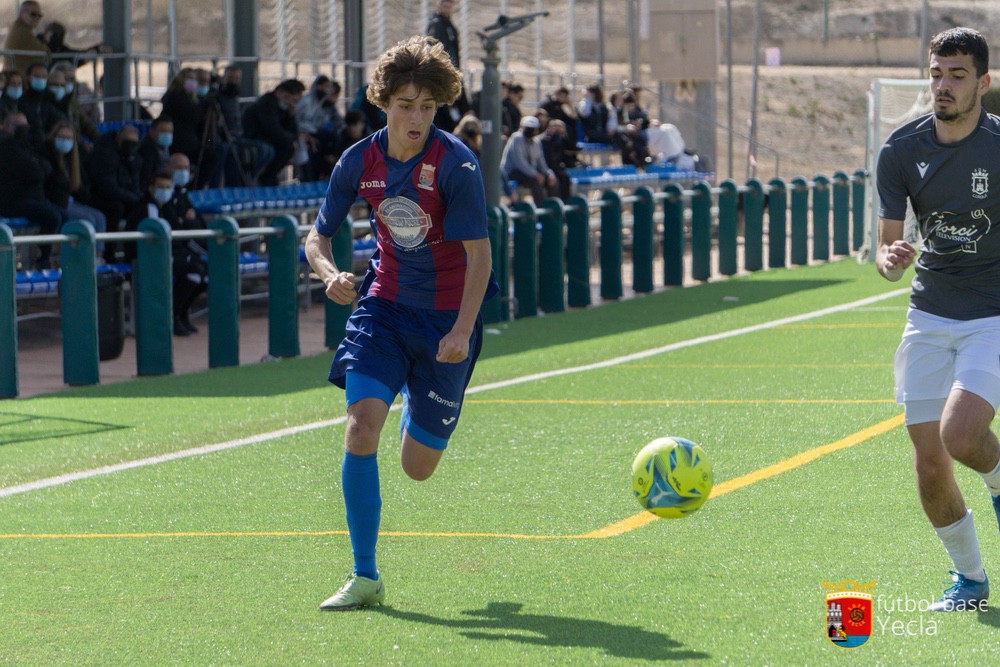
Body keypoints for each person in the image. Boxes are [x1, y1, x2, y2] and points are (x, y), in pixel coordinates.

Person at [304, 35, 496, 612]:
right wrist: (329, 273)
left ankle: (420, 399)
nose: (416, 118)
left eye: (428, 107)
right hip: (382, 307)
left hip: (445, 322)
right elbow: (317, 236)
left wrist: (461, 331)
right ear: (384, 101)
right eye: (406, 104)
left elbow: (480, 258)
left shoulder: (456, 163)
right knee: (361, 428)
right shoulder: (356, 162)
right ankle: (365, 576)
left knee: (417, 468)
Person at [875, 26, 1000, 613]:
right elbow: (886, 252)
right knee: (929, 464)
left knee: (960, 435)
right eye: (935, 73)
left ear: (983, 81)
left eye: (956, 75)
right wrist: (890, 257)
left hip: (992, 314)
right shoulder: (900, 151)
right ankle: (970, 581)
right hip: (928, 312)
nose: (942, 85)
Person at [0, 111, 66, 268]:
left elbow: (45, 167)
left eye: (26, 126)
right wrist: (38, 166)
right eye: (20, 126)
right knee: (53, 217)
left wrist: (38, 166)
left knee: (65, 216)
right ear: (8, 126)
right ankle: (42, 259)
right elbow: (36, 173)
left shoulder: (24, 145)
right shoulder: (6, 146)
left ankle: (57, 259)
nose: (24, 130)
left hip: (33, 198)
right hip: (12, 201)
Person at [42, 120, 105, 258]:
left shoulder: (72, 160)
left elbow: (80, 188)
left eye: (69, 138)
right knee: (88, 219)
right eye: (62, 137)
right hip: (56, 202)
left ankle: (98, 258)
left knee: (100, 217)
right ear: (53, 137)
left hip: (70, 201)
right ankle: (84, 258)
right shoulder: (47, 157)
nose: (65, 141)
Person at [84, 123, 142, 262]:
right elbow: (107, 187)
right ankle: (108, 254)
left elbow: (133, 183)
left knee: (143, 208)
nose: (131, 146)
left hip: (119, 195)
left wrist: (139, 199)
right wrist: (134, 198)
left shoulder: (132, 157)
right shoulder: (104, 153)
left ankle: (135, 255)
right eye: (128, 142)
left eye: (134, 143)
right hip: (97, 196)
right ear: (118, 138)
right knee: (115, 208)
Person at [242, 78, 304, 185]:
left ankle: (269, 177)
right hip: (255, 137)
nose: (292, 104)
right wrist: (291, 141)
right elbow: (272, 129)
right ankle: (265, 178)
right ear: (281, 93)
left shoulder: (285, 108)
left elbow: (292, 132)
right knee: (285, 147)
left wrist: (290, 116)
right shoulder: (267, 104)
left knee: (290, 146)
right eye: (290, 99)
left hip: (268, 138)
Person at [425, 0, 469, 132]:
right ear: (438, 5)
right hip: (443, 75)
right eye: (444, 5)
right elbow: (434, 49)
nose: (447, 8)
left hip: (452, 72)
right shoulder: (436, 24)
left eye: (449, 5)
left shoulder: (449, 25)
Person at [500, 114, 556, 205]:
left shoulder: (536, 142)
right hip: (513, 172)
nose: (530, 131)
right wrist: (536, 174)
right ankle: (540, 209)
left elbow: (541, 162)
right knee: (535, 181)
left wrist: (549, 174)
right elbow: (519, 162)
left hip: (529, 172)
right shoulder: (516, 138)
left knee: (552, 180)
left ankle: (551, 208)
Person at [38, 20, 111, 69]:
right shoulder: (36, 45)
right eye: (51, 34)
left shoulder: (61, 50)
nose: (53, 38)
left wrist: (97, 50)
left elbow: (78, 56)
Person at [3, 1, 49, 76]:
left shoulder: (19, 29)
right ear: (22, 14)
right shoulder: (22, 32)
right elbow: (46, 55)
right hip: (17, 80)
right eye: (33, 14)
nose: (37, 18)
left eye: (39, 15)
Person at [137, 114, 174, 192]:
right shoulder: (147, 150)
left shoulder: (164, 145)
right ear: (152, 131)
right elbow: (146, 178)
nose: (167, 135)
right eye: (163, 131)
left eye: (170, 132)